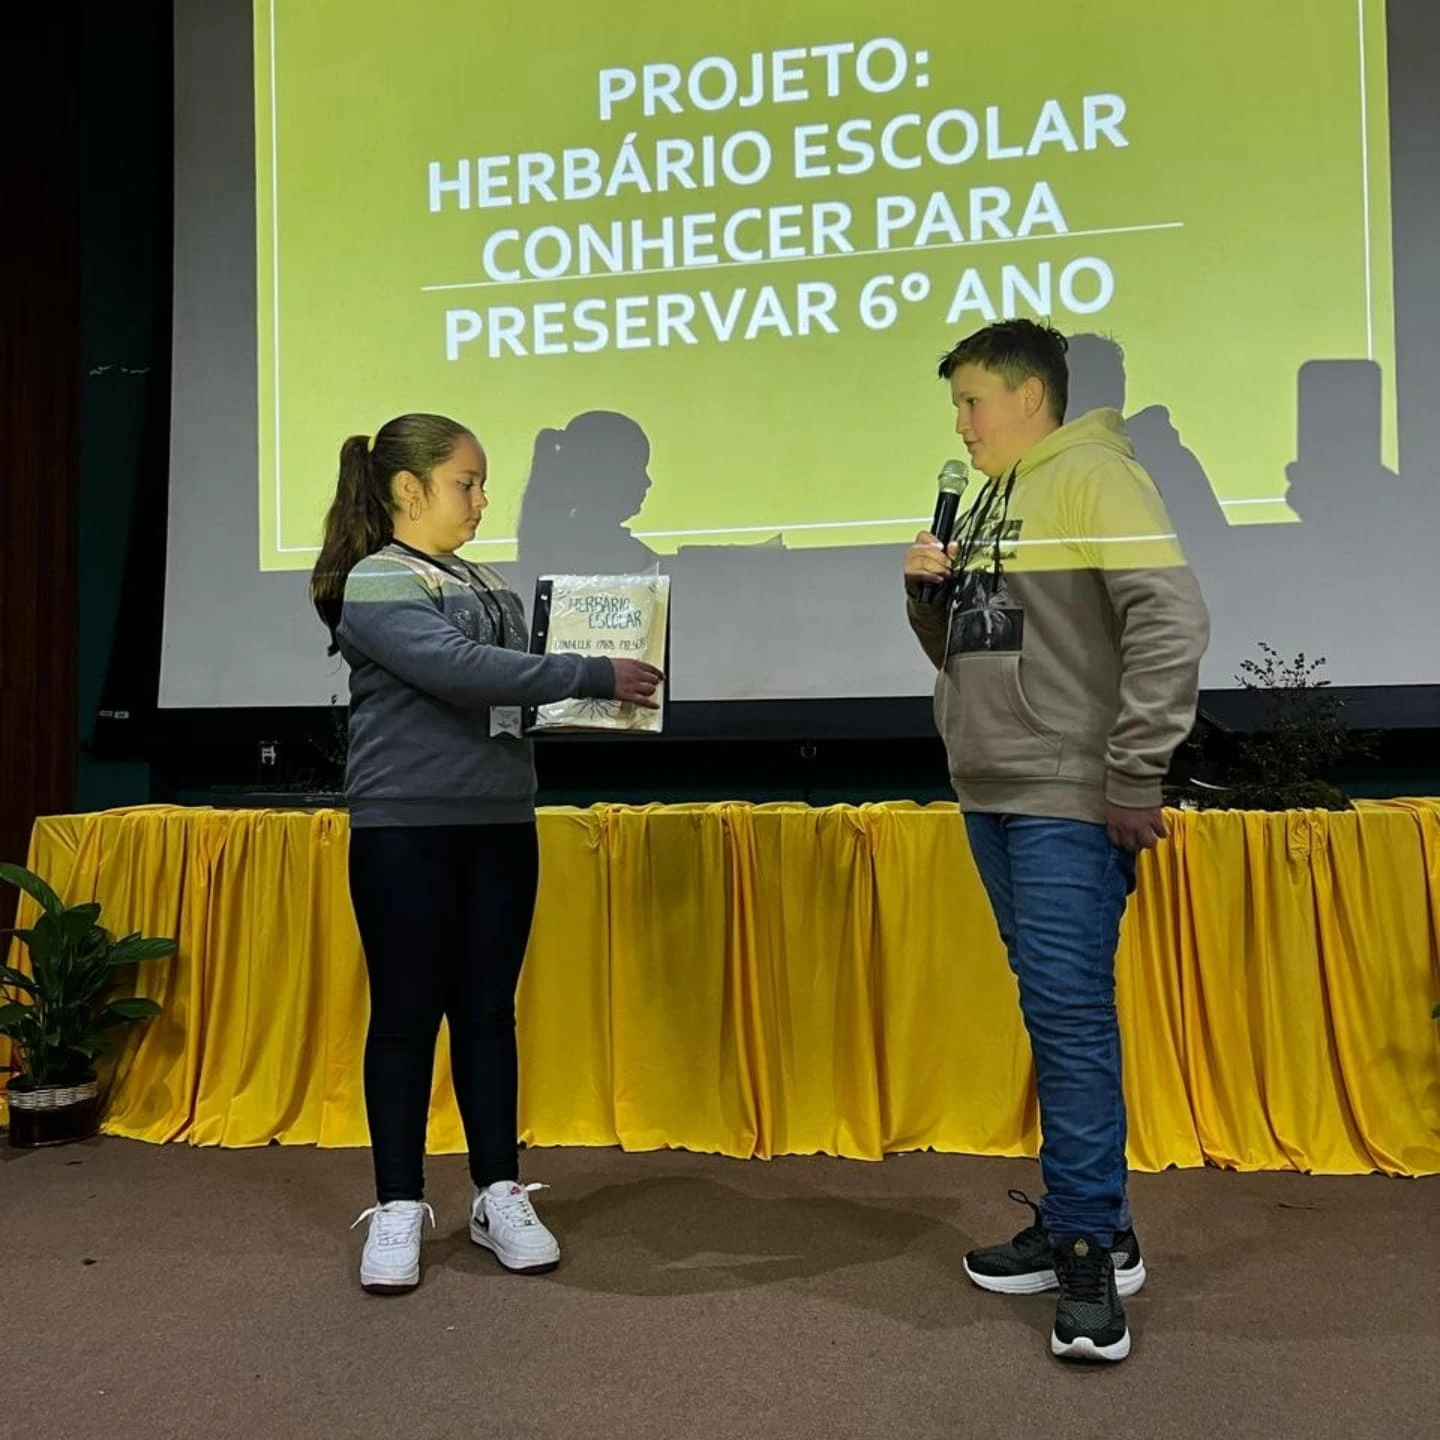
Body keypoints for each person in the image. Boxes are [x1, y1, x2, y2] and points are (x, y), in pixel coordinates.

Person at [902, 321, 1209, 1363]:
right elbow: (970, 652)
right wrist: (926, 599)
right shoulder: (997, 496)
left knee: (1070, 1018)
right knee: (1051, 1006)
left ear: (1030, 395)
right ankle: (1095, 1220)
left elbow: (1171, 621)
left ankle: (1087, 1252)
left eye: (972, 401)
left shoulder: (1094, 479)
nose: (961, 423)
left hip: (1064, 792)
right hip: (992, 785)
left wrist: (1136, 770)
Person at [310, 413, 663, 1294]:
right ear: (409, 488)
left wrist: (591, 698)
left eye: (480, 484)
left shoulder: (488, 581)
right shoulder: (377, 578)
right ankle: (399, 1202)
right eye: (465, 483)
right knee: (404, 1016)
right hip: (406, 828)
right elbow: (460, 670)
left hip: (501, 820)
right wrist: (591, 673)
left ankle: (498, 1191)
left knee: (487, 1012)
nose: (480, 500)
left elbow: (512, 693)